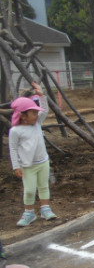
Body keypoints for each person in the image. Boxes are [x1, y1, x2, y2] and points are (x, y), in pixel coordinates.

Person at [9, 83, 58, 227]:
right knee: (29, 190)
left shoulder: (37, 123)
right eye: (33, 113)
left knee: (43, 186)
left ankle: (45, 209)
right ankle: (29, 212)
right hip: (28, 165)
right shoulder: (16, 131)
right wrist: (16, 166)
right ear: (23, 116)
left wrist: (42, 95)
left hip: (43, 162)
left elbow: (46, 109)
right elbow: (13, 149)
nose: (37, 115)